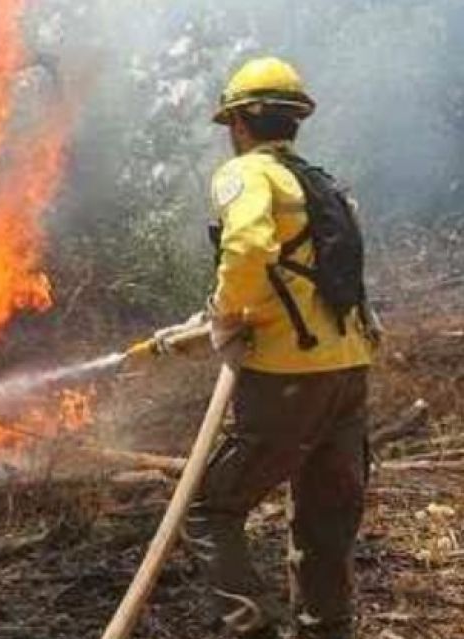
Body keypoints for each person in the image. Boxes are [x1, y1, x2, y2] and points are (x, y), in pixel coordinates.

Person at [183, 57, 378, 639]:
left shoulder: (247, 174)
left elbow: (246, 249)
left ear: (240, 123)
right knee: (325, 521)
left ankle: (251, 628)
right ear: (295, 122)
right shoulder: (326, 185)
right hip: (349, 371)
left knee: (208, 510)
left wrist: (226, 315)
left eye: (230, 126)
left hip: (287, 377)